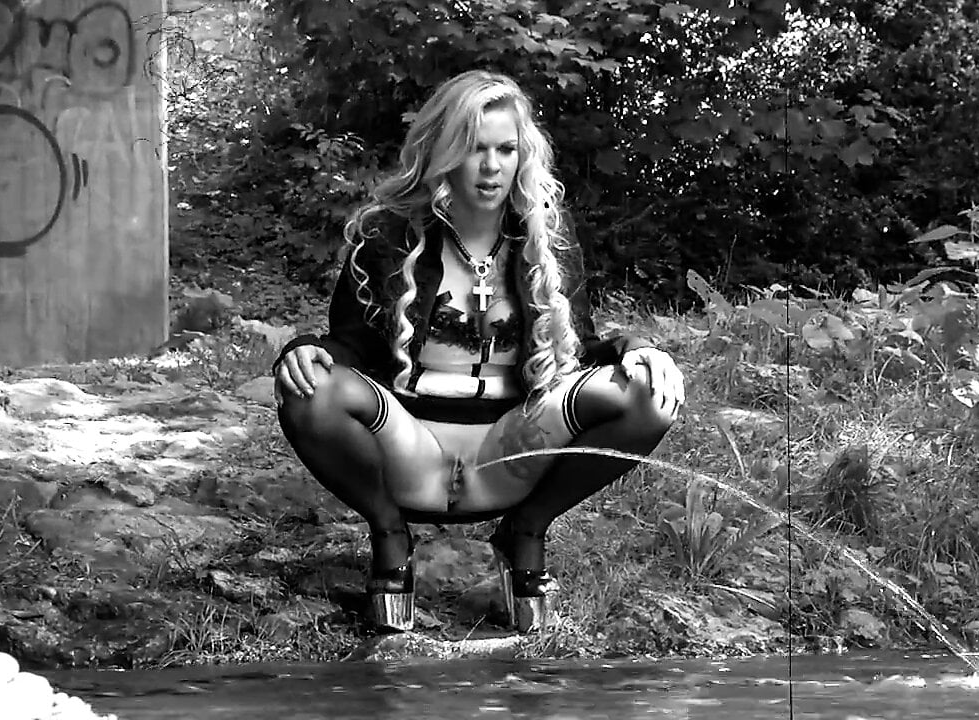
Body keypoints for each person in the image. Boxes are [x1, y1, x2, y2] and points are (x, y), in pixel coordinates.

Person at [271, 70, 684, 634]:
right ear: (442, 151)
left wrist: (637, 349)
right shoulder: (386, 236)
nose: (491, 166)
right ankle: (390, 536)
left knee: (648, 395)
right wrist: (303, 351)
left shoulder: (546, 235)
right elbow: (350, 344)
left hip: (509, 451)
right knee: (311, 390)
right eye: (473, 148)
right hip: (410, 447)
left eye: (505, 149)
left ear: (522, 155)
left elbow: (578, 347)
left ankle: (525, 532)